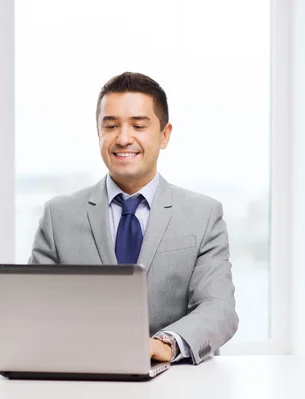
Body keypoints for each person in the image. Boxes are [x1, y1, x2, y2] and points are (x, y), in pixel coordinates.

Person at [28, 72, 238, 365]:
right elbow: (36, 309)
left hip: (174, 378)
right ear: (98, 133)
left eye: (138, 125)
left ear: (164, 135)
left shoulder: (203, 215)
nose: (123, 138)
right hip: (81, 375)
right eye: (111, 126)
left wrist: (165, 343)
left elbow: (219, 308)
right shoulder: (58, 216)